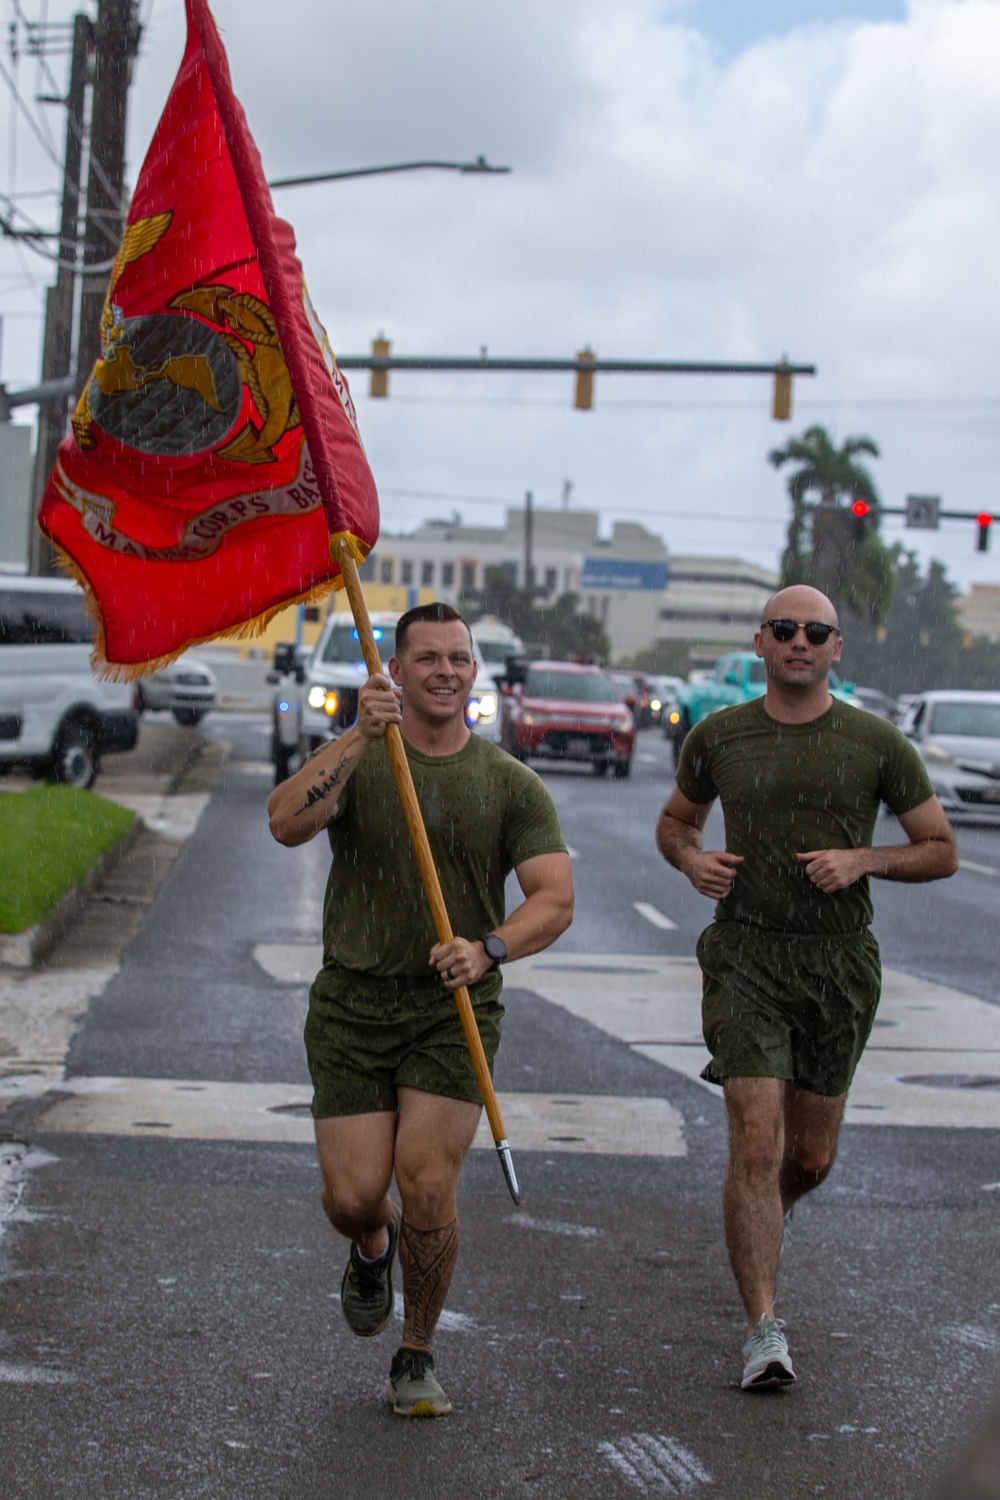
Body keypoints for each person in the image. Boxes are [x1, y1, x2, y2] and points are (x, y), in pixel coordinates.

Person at [268, 602, 573, 1418]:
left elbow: (554, 898)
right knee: (355, 1196)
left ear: (476, 673)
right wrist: (362, 736)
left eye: (459, 659)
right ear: (394, 671)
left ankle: (417, 1352)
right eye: (428, 658)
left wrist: (489, 949)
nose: (445, 671)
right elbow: (284, 824)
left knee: (428, 1184)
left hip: (452, 1009)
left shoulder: (511, 783)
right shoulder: (364, 756)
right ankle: (372, 1247)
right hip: (353, 1005)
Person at [655, 585, 958, 1391]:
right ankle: (763, 1329)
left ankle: (765, 1216)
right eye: (784, 629)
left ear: (835, 650)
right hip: (747, 956)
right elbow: (674, 821)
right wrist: (692, 860)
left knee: (811, 1158)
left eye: (815, 631)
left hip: (838, 965)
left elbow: (939, 849)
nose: (798, 641)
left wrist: (864, 860)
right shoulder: (719, 736)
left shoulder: (876, 743)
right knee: (757, 1143)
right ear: (760, 642)